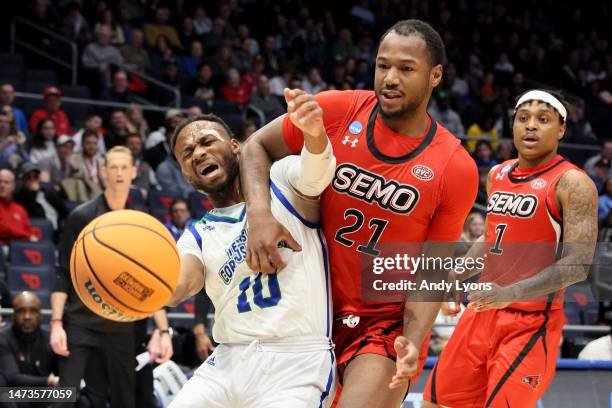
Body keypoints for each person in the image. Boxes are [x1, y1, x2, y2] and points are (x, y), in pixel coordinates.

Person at [240, 19, 478, 407]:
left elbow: (431, 270)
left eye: (406, 68)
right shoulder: (338, 109)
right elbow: (254, 147)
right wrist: (260, 216)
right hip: (306, 305)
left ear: (435, 75)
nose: (390, 78)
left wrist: (413, 344)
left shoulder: (455, 167)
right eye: (383, 65)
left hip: (379, 324)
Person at [422, 90, 598, 408]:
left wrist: (511, 292)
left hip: (530, 322)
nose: (531, 126)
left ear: (561, 129)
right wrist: (454, 275)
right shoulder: (497, 173)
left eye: (543, 120)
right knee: (437, 402)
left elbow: (578, 264)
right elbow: (491, 238)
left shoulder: (573, 182)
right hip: (482, 311)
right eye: (523, 118)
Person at [166, 111, 337, 407]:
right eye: (187, 153)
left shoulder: (282, 181)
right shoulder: (197, 235)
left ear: (235, 146)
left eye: (207, 142)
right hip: (227, 361)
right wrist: (135, 288)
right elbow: (177, 286)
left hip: (295, 361)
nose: (199, 153)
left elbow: (316, 173)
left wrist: (314, 134)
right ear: (187, 176)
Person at [50, 146, 172, 407]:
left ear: (133, 172)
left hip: (120, 324)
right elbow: (62, 272)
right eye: (112, 167)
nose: (118, 173)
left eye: (123, 167)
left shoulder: (141, 224)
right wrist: (56, 323)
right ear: (103, 172)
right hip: (79, 322)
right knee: (64, 397)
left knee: (124, 401)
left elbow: (151, 282)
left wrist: (163, 330)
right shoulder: (81, 216)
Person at [0, 292, 59, 388]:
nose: (27, 316)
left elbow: (63, 376)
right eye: (21, 311)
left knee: (79, 399)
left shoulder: (50, 339)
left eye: (33, 311)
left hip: (44, 395)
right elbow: (12, 378)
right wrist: (48, 380)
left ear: (41, 316)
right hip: (15, 395)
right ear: (13, 315)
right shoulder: (3, 338)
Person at [0, 169, 37, 245]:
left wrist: (35, 234)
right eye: (0, 182)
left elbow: (28, 229)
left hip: (21, 248)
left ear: (13, 186)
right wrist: (27, 236)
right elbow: (3, 229)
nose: (2, 185)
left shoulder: (20, 209)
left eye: (6, 182)